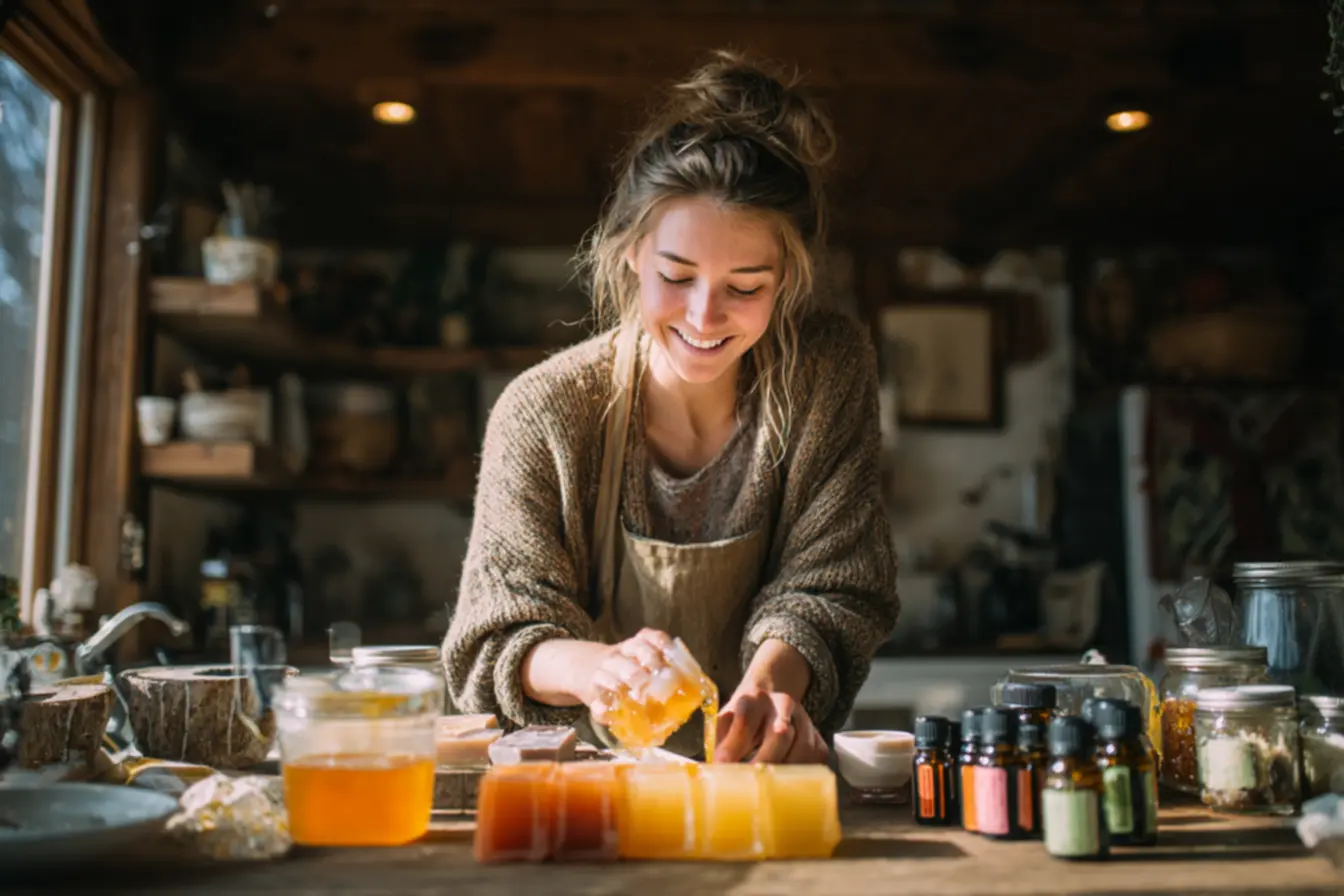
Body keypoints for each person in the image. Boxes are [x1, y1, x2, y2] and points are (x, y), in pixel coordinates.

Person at [442, 50, 899, 763]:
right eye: (676, 276)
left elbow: (833, 583)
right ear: (630, 252)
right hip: (590, 790)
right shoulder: (544, 412)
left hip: (764, 776)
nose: (704, 317)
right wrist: (595, 669)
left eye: (745, 287)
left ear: (787, 278)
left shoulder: (827, 375)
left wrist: (765, 691)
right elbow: (492, 638)